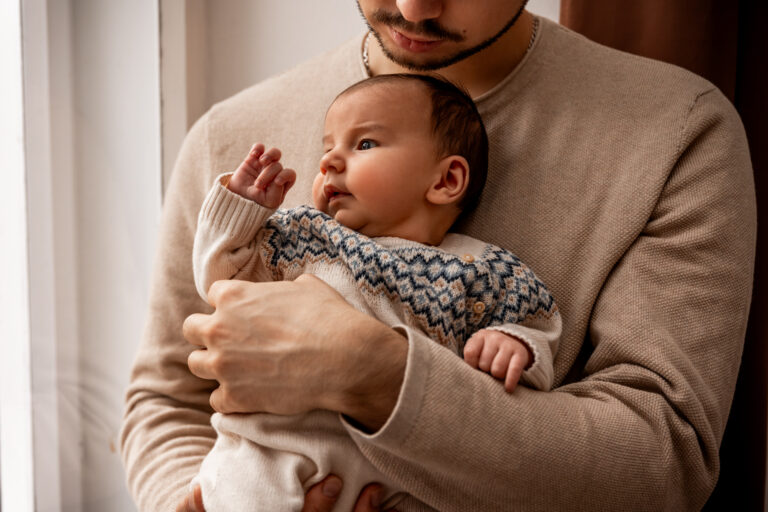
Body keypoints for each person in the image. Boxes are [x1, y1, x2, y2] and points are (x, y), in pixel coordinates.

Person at [120, 1, 757, 511]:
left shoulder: (677, 133)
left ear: (449, 179)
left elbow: (661, 466)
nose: (414, 7)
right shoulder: (232, 144)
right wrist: (206, 500)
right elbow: (168, 399)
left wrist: (376, 375)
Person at [190, 74, 561, 511]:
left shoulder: (479, 269)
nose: (329, 162)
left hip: (398, 471)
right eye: (328, 149)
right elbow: (222, 280)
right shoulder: (306, 237)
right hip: (273, 447)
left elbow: (536, 320)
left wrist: (512, 343)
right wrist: (241, 210)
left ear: (445, 180)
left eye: (363, 144)